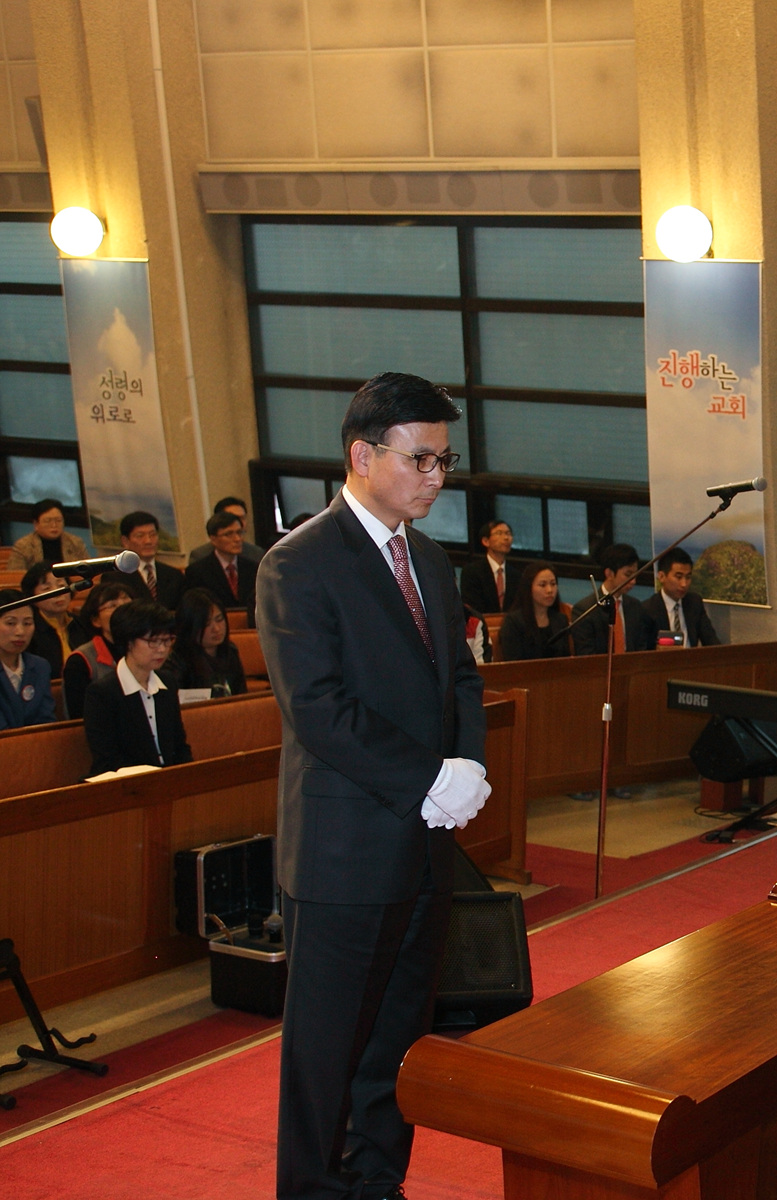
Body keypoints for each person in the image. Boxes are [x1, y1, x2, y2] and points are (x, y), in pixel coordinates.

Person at [257, 371, 488, 1200]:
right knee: (326, 1056)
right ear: (363, 455)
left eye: (444, 460)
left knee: (398, 1044)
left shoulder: (427, 557)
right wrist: (428, 776)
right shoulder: (299, 564)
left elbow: (460, 679)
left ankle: (378, 1184)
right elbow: (318, 709)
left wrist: (468, 767)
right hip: (344, 854)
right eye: (421, 459)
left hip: (424, 843)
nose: (436, 477)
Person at [82, 600, 192, 775]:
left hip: (168, 778)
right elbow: (107, 758)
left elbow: (179, 745)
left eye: (167, 640)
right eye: (153, 641)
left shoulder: (167, 682)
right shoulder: (102, 692)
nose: (162, 649)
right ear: (128, 642)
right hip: (127, 781)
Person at [63, 580, 138, 719]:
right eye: (113, 605)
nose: (123, 611)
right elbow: (80, 717)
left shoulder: (146, 650)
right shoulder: (80, 661)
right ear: (95, 620)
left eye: (127, 604)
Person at [569, 542, 657, 655]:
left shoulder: (636, 606)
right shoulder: (585, 610)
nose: (633, 581)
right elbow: (586, 654)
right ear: (609, 573)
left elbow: (641, 648)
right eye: (628, 575)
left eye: (635, 575)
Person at [182, 509, 259, 627]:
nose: (237, 539)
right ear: (213, 539)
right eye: (229, 534)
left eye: (239, 532)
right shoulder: (198, 571)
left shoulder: (253, 567)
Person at [167, 590, 247, 697]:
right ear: (190, 626)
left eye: (219, 619)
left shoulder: (230, 651)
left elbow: (241, 695)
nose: (216, 629)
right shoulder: (176, 661)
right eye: (206, 624)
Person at [0, 589, 53, 730]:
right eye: (10, 623)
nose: (20, 632)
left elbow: (46, 720)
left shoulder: (40, 666)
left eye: (27, 623)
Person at [647, 547, 721, 647]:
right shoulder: (648, 609)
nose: (684, 584)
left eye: (688, 577)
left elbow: (711, 641)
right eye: (678, 577)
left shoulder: (694, 602)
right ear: (661, 577)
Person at [498, 563, 571, 661]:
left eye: (553, 584)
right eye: (542, 585)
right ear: (529, 588)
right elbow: (514, 663)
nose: (550, 590)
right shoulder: (513, 622)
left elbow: (566, 660)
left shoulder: (561, 620)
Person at [20, 562, 75, 679]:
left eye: (61, 585)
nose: (58, 593)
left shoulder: (80, 623)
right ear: (32, 596)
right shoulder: (29, 630)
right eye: (47, 588)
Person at [119, 510, 183, 605]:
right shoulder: (116, 577)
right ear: (125, 541)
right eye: (140, 536)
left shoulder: (174, 575)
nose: (148, 541)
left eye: (152, 535)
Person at [7, 498, 90, 570]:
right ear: (36, 524)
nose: (54, 525)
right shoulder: (23, 546)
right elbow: (16, 575)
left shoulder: (75, 542)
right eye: (47, 521)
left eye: (58, 520)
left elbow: (88, 570)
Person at [459, 520, 520, 614]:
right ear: (486, 541)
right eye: (499, 533)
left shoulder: (516, 574)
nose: (506, 538)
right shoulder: (472, 571)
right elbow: (471, 606)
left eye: (508, 533)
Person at [188, 496, 264, 565]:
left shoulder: (256, 554)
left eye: (242, 518)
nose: (238, 523)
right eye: (232, 518)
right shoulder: (200, 555)